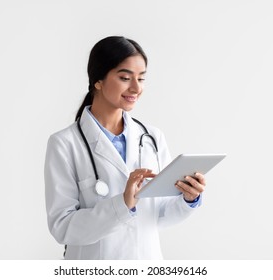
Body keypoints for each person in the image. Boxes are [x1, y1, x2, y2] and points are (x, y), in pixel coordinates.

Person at [44, 36, 206, 259]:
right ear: (98, 80)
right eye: (125, 77)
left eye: (141, 78)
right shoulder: (65, 144)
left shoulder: (152, 138)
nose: (136, 88)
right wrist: (122, 204)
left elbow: (159, 215)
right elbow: (63, 227)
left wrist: (188, 199)